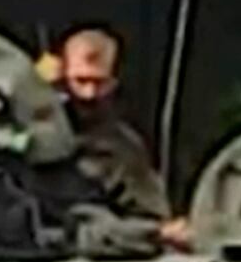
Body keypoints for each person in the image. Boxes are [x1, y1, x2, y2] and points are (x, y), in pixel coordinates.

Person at [49, 27, 179, 231]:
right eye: (80, 81)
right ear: (62, 77)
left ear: (113, 82)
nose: (89, 94)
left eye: (99, 82)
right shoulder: (30, 131)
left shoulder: (123, 148)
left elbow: (152, 219)